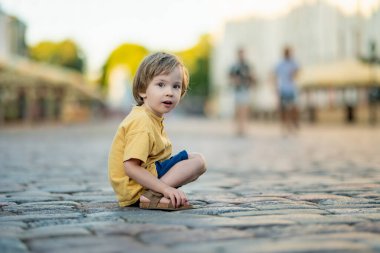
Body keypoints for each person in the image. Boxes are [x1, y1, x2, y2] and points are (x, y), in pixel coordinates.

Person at [108, 52, 206, 210]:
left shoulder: (151, 116)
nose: (169, 92)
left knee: (194, 159)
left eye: (176, 86)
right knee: (198, 161)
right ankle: (152, 196)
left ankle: (154, 195)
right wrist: (166, 189)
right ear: (142, 90)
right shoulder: (142, 122)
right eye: (161, 85)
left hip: (147, 174)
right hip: (135, 187)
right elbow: (131, 167)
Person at [229, 48, 256, 136]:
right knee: (238, 109)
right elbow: (230, 76)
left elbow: (253, 77)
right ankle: (238, 128)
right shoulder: (234, 66)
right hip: (238, 90)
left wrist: (251, 82)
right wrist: (234, 81)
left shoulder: (247, 66)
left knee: (245, 109)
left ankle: (244, 127)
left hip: (245, 89)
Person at [274, 46, 300, 133]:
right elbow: (275, 75)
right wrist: (276, 88)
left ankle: (294, 124)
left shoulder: (294, 63)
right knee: (283, 109)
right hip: (283, 88)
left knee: (293, 108)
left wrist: (294, 74)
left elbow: (298, 73)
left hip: (292, 88)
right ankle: (285, 125)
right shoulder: (280, 64)